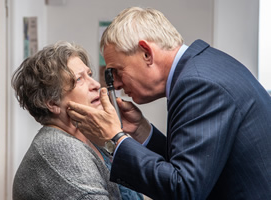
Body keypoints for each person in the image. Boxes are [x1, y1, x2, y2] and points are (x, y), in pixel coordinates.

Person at [66, 7, 271, 200]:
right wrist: (142, 131)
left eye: (117, 71)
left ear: (146, 52)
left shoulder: (197, 84)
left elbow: (184, 190)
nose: (117, 84)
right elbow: (193, 163)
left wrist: (115, 138)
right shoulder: (201, 67)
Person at [11, 41, 143, 200]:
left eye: (89, 75)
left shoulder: (91, 138)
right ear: (52, 103)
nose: (95, 84)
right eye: (79, 79)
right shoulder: (60, 149)